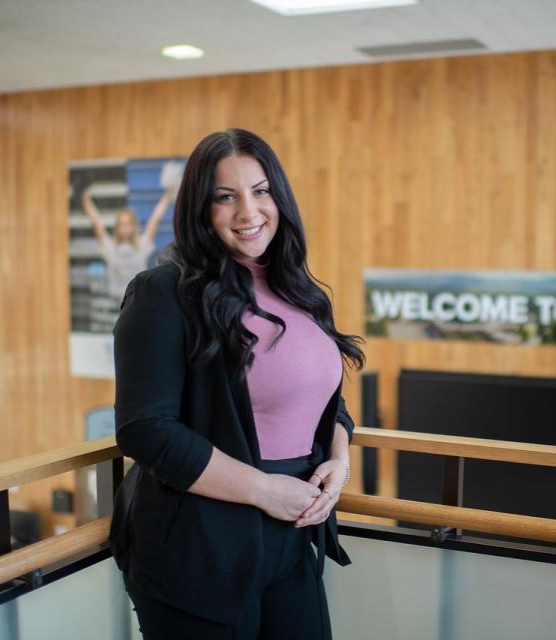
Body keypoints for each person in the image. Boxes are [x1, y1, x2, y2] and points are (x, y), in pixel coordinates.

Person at [109, 128, 365, 639]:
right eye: (225, 197)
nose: (248, 212)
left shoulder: (303, 291)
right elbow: (146, 430)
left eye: (261, 190)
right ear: (200, 209)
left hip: (292, 532)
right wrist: (265, 490)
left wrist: (339, 460)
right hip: (199, 542)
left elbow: (325, 405)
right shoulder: (163, 292)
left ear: (280, 198)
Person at [82, 161, 183, 301]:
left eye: (128, 223)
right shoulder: (110, 248)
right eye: (122, 224)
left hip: (138, 301)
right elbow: (97, 223)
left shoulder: (142, 246)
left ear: (134, 226)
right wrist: (84, 197)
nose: (125, 227)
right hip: (115, 303)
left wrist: (167, 195)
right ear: (117, 227)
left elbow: (155, 219)